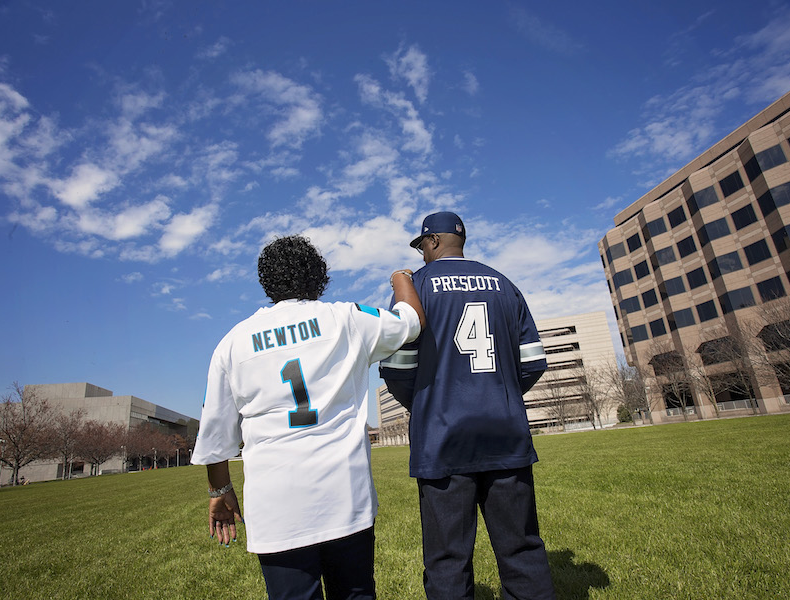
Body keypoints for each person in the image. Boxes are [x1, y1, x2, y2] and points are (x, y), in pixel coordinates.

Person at [191, 234, 425, 600]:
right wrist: (401, 277)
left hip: (275, 504)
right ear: (319, 276)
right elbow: (411, 320)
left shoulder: (233, 342)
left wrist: (219, 491)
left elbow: (215, 434)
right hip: (345, 496)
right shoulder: (346, 318)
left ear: (266, 282)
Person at [380, 212, 556, 600]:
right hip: (505, 435)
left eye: (423, 245)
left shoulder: (416, 287)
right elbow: (533, 362)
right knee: (522, 549)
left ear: (433, 242)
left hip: (442, 439)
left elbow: (396, 369)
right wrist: (497, 395)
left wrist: (424, 403)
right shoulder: (505, 284)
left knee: (447, 559)